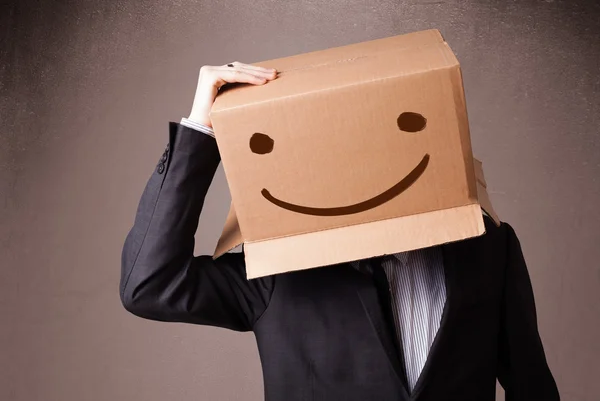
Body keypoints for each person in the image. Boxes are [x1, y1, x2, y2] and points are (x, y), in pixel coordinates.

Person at [119, 62, 560, 401]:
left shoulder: (487, 248)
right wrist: (202, 129)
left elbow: (532, 385)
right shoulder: (275, 274)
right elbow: (150, 285)